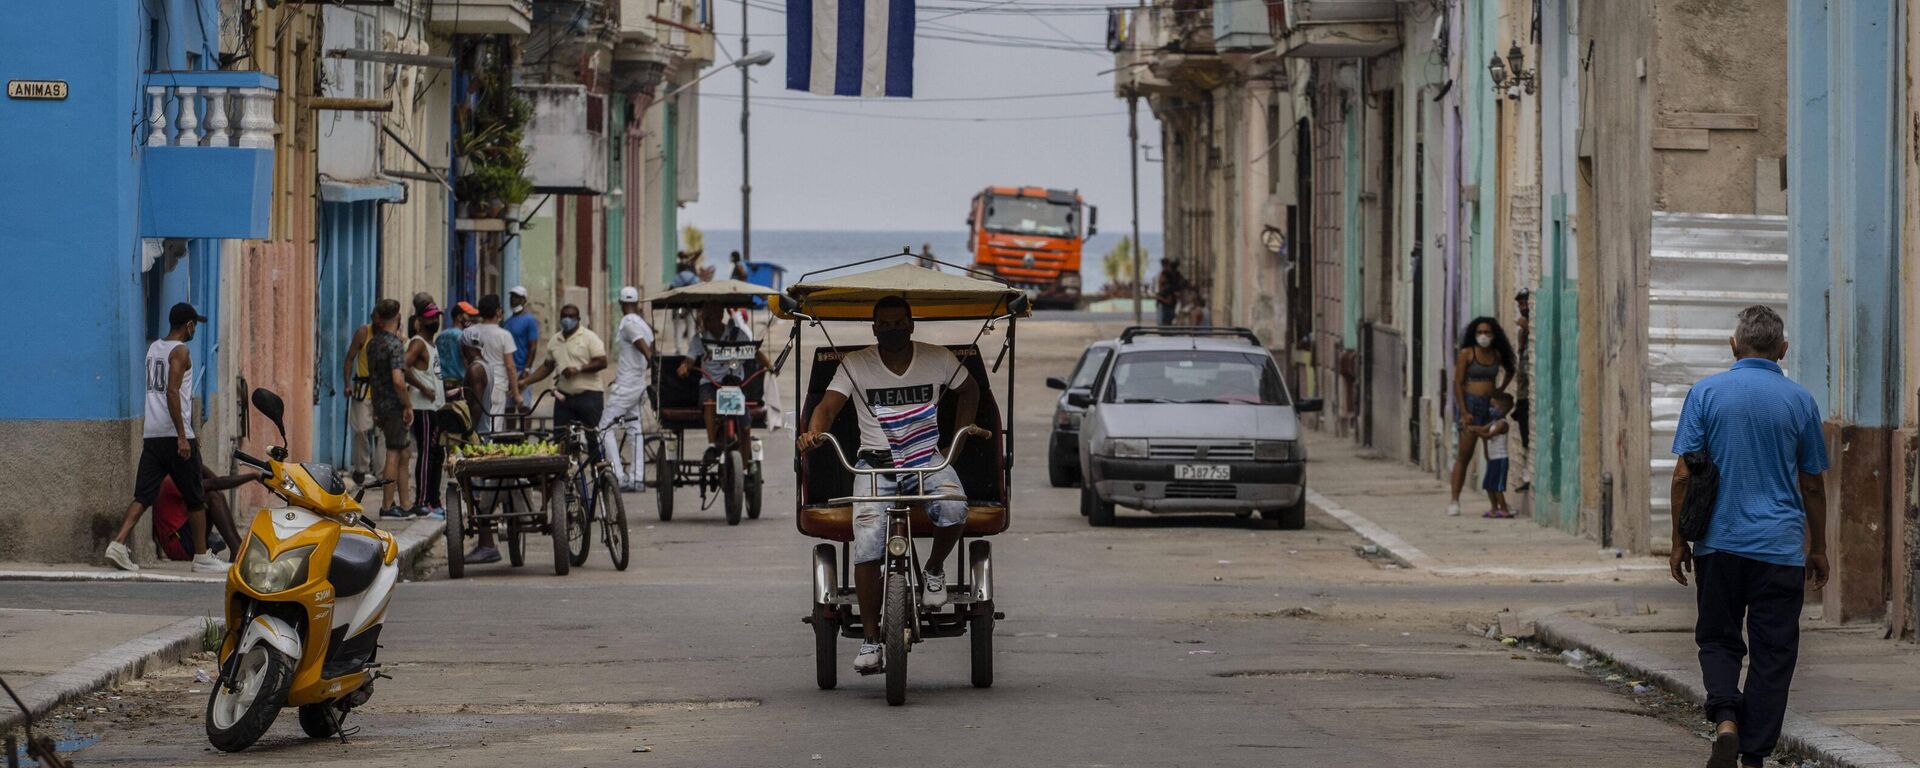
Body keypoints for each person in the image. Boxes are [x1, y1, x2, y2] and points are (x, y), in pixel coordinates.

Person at [1669, 305, 1829, 768]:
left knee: (1718, 639)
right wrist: (1816, 546)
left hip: (1719, 545)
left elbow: (1683, 476)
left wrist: (1680, 540)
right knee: (1773, 653)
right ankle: (1754, 755)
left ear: (1734, 346)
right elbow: (1813, 483)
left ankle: (1725, 721)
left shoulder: (1706, 393)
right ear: (1783, 349)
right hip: (1779, 549)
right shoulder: (1800, 401)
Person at [795, 296, 989, 674]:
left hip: (926, 460)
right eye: (884, 324)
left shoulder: (938, 358)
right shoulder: (855, 364)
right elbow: (828, 407)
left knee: (954, 507)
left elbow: (971, 391)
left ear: (911, 324)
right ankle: (870, 641)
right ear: (874, 328)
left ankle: (934, 568)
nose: (892, 329)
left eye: (900, 322)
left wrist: (956, 443)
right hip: (873, 467)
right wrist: (813, 432)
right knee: (866, 545)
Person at [105, 303, 225, 573]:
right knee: (195, 497)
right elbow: (173, 392)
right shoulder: (181, 350)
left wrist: (189, 430)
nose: (195, 330)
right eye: (194, 325)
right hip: (174, 436)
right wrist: (183, 435)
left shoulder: (154, 349)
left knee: (144, 495)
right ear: (189, 326)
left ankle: (118, 543)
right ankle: (202, 556)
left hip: (153, 435)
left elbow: (174, 395)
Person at [678, 302, 771, 458]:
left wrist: (770, 366)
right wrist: (684, 367)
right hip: (710, 383)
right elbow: (689, 360)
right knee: (709, 403)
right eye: (704, 318)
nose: (705, 322)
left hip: (734, 384)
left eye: (709, 318)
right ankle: (712, 444)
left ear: (720, 316)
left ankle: (745, 468)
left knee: (746, 428)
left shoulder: (737, 334)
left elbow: (754, 352)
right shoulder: (699, 339)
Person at [1447, 316, 1515, 517]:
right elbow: (1458, 383)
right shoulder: (1467, 354)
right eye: (1479, 332)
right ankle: (1454, 499)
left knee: (1491, 455)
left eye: (1487, 332)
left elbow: (1510, 370)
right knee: (1464, 454)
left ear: (1494, 335)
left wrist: (1499, 390)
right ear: (1474, 335)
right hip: (1470, 404)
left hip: (1489, 406)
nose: (1483, 336)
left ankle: (1497, 504)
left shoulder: (1496, 354)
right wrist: (1463, 411)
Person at [520, 304, 608, 436]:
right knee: (562, 438)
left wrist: (578, 369)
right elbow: (547, 367)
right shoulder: (555, 340)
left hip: (589, 396)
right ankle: (571, 456)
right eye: (564, 316)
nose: (567, 319)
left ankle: (595, 457)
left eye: (571, 316)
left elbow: (602, 361)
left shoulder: (589, 337)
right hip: (564, 398)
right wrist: (526, 381)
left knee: (593, 438)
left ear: (578, 319)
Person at [601, 287, 656, 492]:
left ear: (620, 303)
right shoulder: (645, 325)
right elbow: (645, 351)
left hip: (626, 387)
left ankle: (618, 476)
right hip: (636, 382)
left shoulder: (628, 323)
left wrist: (648, 359)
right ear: (638, 302)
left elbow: (643, 347)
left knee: (605, 428)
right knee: (634, 429)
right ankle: (637, 478)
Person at [363, 299, 415, 518]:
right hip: (394, 405)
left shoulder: (372, 344)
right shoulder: (394, 345)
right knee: (394, 452)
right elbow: (398, 380)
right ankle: (387, 505)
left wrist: (376, 406)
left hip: (380, 403)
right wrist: (407, 404)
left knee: (403, 451)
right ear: (398, 317)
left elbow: (373, 378)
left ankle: (405, 503)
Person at [153, 466, 258, 562]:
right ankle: (236, 548)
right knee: (212, 497)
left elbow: (215, 481)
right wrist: (254, 476)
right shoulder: (173, 478)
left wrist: (198, 464)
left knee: (216, 495)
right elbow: (216, 483)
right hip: (179, 544)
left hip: (183, 536)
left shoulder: (180, 472)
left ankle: (238, 547)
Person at [406, 303, 447, 518]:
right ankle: (421, 502)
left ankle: (433, 500)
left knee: (436, 455)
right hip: (423, 408)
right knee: (427, 455)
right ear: (419, 321)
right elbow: (403, 366)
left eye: (437, 317)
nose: (435, 322)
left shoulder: (431, 344)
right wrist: (423, 388)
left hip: (435, 408)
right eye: (431, 318)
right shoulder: (418, 343)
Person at [466, 294, 522, 431]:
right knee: (492, 427)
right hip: (497, 385)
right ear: (498, 311)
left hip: (473, 384)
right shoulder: (504, 335)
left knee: (474, 423)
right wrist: (516, 394)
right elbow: (510, 366)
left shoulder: (471, 332)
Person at [342, 311, 380, 482]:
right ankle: (361, 468)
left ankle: (381, 471)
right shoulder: (364, 332)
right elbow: (350, 358)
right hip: (363, 389)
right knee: (361, 430)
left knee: (383, 434)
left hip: (383, 391)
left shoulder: (393, 334)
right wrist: (347, 384)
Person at [1470, 393, 1514, 519]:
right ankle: (1494, 508)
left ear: (1502, 408)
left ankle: (1504, 509)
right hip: (1493, 458)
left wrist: (1476, 433)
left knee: (1497, 487)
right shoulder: (1494, 422)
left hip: (1500, 459)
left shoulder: (1502, 424)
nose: (1491, 409)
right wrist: (1472, 428)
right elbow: (1483, 429)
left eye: (1494, 406)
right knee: (1488, 485)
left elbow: (1488, 435)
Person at [503, 286, 541, 408]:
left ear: (524, 300)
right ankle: (510, 429)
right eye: (512, 297)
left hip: (522, 369)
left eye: (517, 297)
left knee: (524, 407)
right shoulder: (507, 322)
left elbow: (533, 346)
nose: (513, 300)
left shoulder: (529, 320)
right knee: (508, 409)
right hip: (509, 370)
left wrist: (527, 370)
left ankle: (525, 428)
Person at [437, 300, 478, 393]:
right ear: (459, 317)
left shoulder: (441, 335)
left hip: (441, 384)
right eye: (469, 316)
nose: (471, 319)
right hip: (458, 384)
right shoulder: (463, 336)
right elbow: (468, 360)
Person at [671, 254, 700, 353]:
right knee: (691, 327)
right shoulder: (693, 277)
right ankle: (691, 348)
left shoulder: (677, 277)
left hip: (678, 306)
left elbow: (671, 288)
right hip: (691, 306)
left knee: (678, 327)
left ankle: (678, 348)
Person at [1154, 259, 1185, 326]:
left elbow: (1169, 301)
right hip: (1166, 309)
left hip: (1167, 310)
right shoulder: (1168, 286)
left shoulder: (1168, 289)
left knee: (1166, 326)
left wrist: (1159, 298)